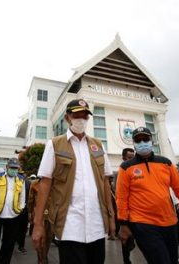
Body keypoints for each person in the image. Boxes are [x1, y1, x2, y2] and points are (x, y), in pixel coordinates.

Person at [32, 99, 115, 264]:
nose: (81, 119)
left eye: (85, 115)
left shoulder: (98, 145)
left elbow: (105, 182)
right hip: (69, 226)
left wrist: (112, 217)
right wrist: (38, 224)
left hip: (97, 225)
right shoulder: (55, 144)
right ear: (67, 118)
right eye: (77, 115)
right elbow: (45, 183)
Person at [116, 127, 179, 264]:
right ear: (133, 143)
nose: (142, 142)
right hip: (143, 223)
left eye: (146, 139)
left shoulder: (166, 163)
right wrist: (123, 224)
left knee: (172, 260)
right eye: (138, 140)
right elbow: (121, 198)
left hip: (170, 222)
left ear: (152, 141)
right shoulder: (126, 167)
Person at [112, 148, 136, 264]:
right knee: (126, 239)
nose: (132, 160)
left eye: (133, 157)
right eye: (129, 157)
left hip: (138, 211)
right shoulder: (121, 172)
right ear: (123, 158)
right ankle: (126, 260)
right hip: (125, 213)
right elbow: (119, 195)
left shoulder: (137, 169)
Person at [28, 174, 52, 264]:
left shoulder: (54, 184)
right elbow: (31, 200)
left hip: (50, 216)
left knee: (48, 239)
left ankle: (44, 257)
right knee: (40, 239)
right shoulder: (34, 185)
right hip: (39, 215)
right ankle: (41, 259)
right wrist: (30, 213)